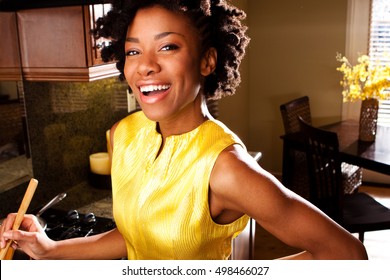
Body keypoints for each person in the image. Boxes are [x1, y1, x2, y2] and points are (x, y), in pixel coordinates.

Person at [0, 0, 367, 260]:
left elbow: (346, 253)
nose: (145, 66)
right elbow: (135, 238)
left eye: (168, 47)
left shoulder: (227, 169)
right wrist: (49, 249)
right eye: (132, 52)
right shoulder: (122, 136)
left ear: (207, 60)